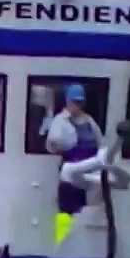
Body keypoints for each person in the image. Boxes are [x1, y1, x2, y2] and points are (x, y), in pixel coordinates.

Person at [45, 83, 104, 245]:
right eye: (74, 101)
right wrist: (57, 144)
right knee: (65, 214)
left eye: (80, 102)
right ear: (67, 101)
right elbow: (51, 145)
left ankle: (81, 247)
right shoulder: (60, 120)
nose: (77, 105)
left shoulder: (89, 121)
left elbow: (101, 143)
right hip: (70, 176)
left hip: (89, 177)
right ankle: (61, 244)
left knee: (86, 214)